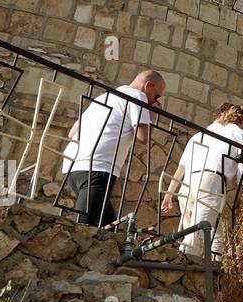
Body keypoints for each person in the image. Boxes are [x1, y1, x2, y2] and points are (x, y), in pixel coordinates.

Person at [61, 70, 165, 226]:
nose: (154, 101)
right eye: (157, 96)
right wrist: (150, 115)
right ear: (148, 86)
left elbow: (72, 133)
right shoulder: (138, 96)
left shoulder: (104, 97)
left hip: (72, 165)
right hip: (98, 168)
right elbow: (142, 138)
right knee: (83, 226)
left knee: (107, 226)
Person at [161, 103, 243, 258]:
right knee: (196, 233)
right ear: (241, 120)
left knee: (213, 231)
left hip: (188, 183)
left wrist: (169, 195)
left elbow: (181, 168)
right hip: (210, 181)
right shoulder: (236, 132)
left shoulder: (199, 135)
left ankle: (216, 265)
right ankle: (184, 266)